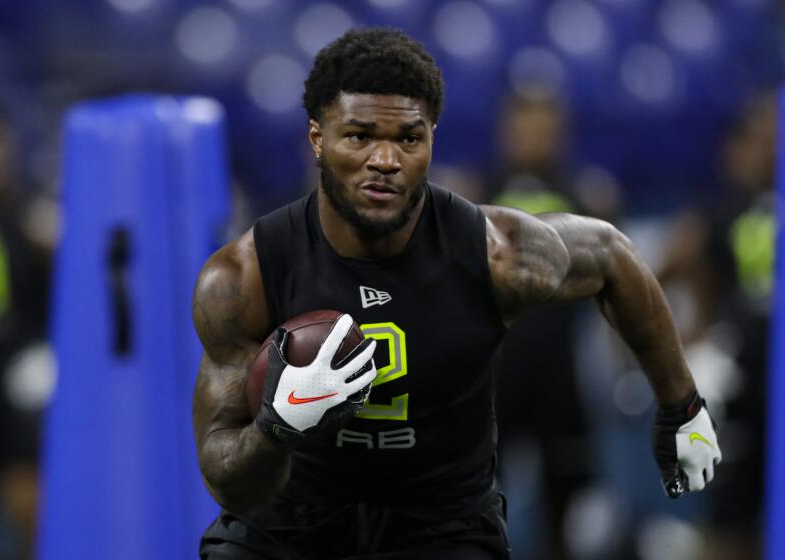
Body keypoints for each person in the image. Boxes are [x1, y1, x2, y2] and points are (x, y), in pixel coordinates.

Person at [192, 28, 722, 560]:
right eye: (359, 136)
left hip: (439, 525)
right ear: (317, 138)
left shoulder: (492, 254)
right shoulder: (246, 275)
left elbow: (612, 256)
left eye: (408, 138)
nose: (385, 159)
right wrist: (275, 429)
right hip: (292, 523)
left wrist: (681, 405)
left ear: (432, 141)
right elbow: (225, 477)